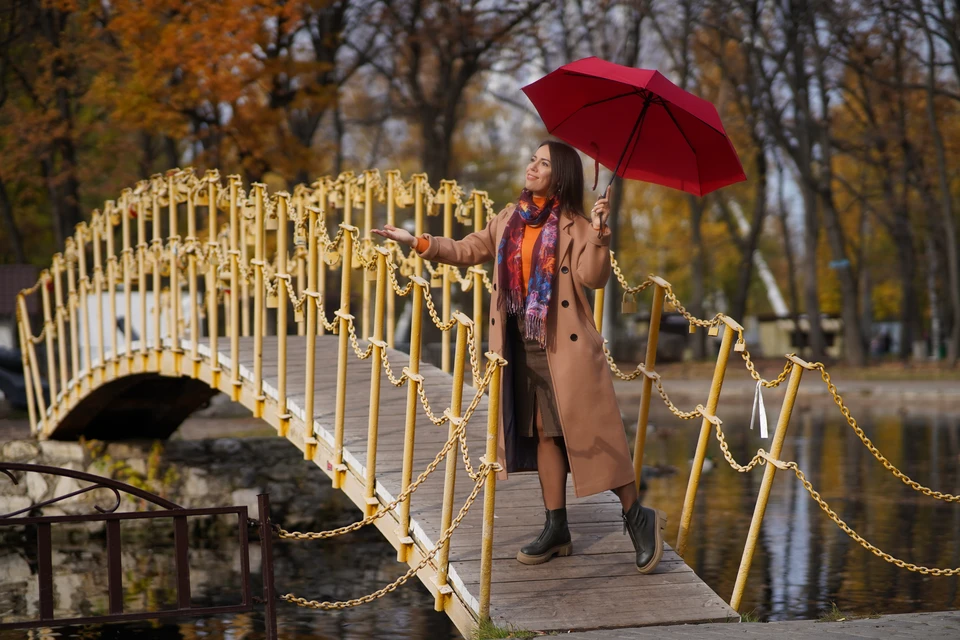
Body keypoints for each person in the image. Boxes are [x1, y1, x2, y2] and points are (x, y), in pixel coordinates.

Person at [372, 140, 665, 574]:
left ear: (560, 176)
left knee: (588, 434)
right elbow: (470, 249)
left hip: (566, 347)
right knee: (544, 431)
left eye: (543, 163)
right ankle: (556, 526)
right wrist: (418, 242)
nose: (532, 167)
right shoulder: (510, 217)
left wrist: (602, 233)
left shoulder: (577, 224)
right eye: (532, 158)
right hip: (520, 342)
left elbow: (593, 278)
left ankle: (637, 517)